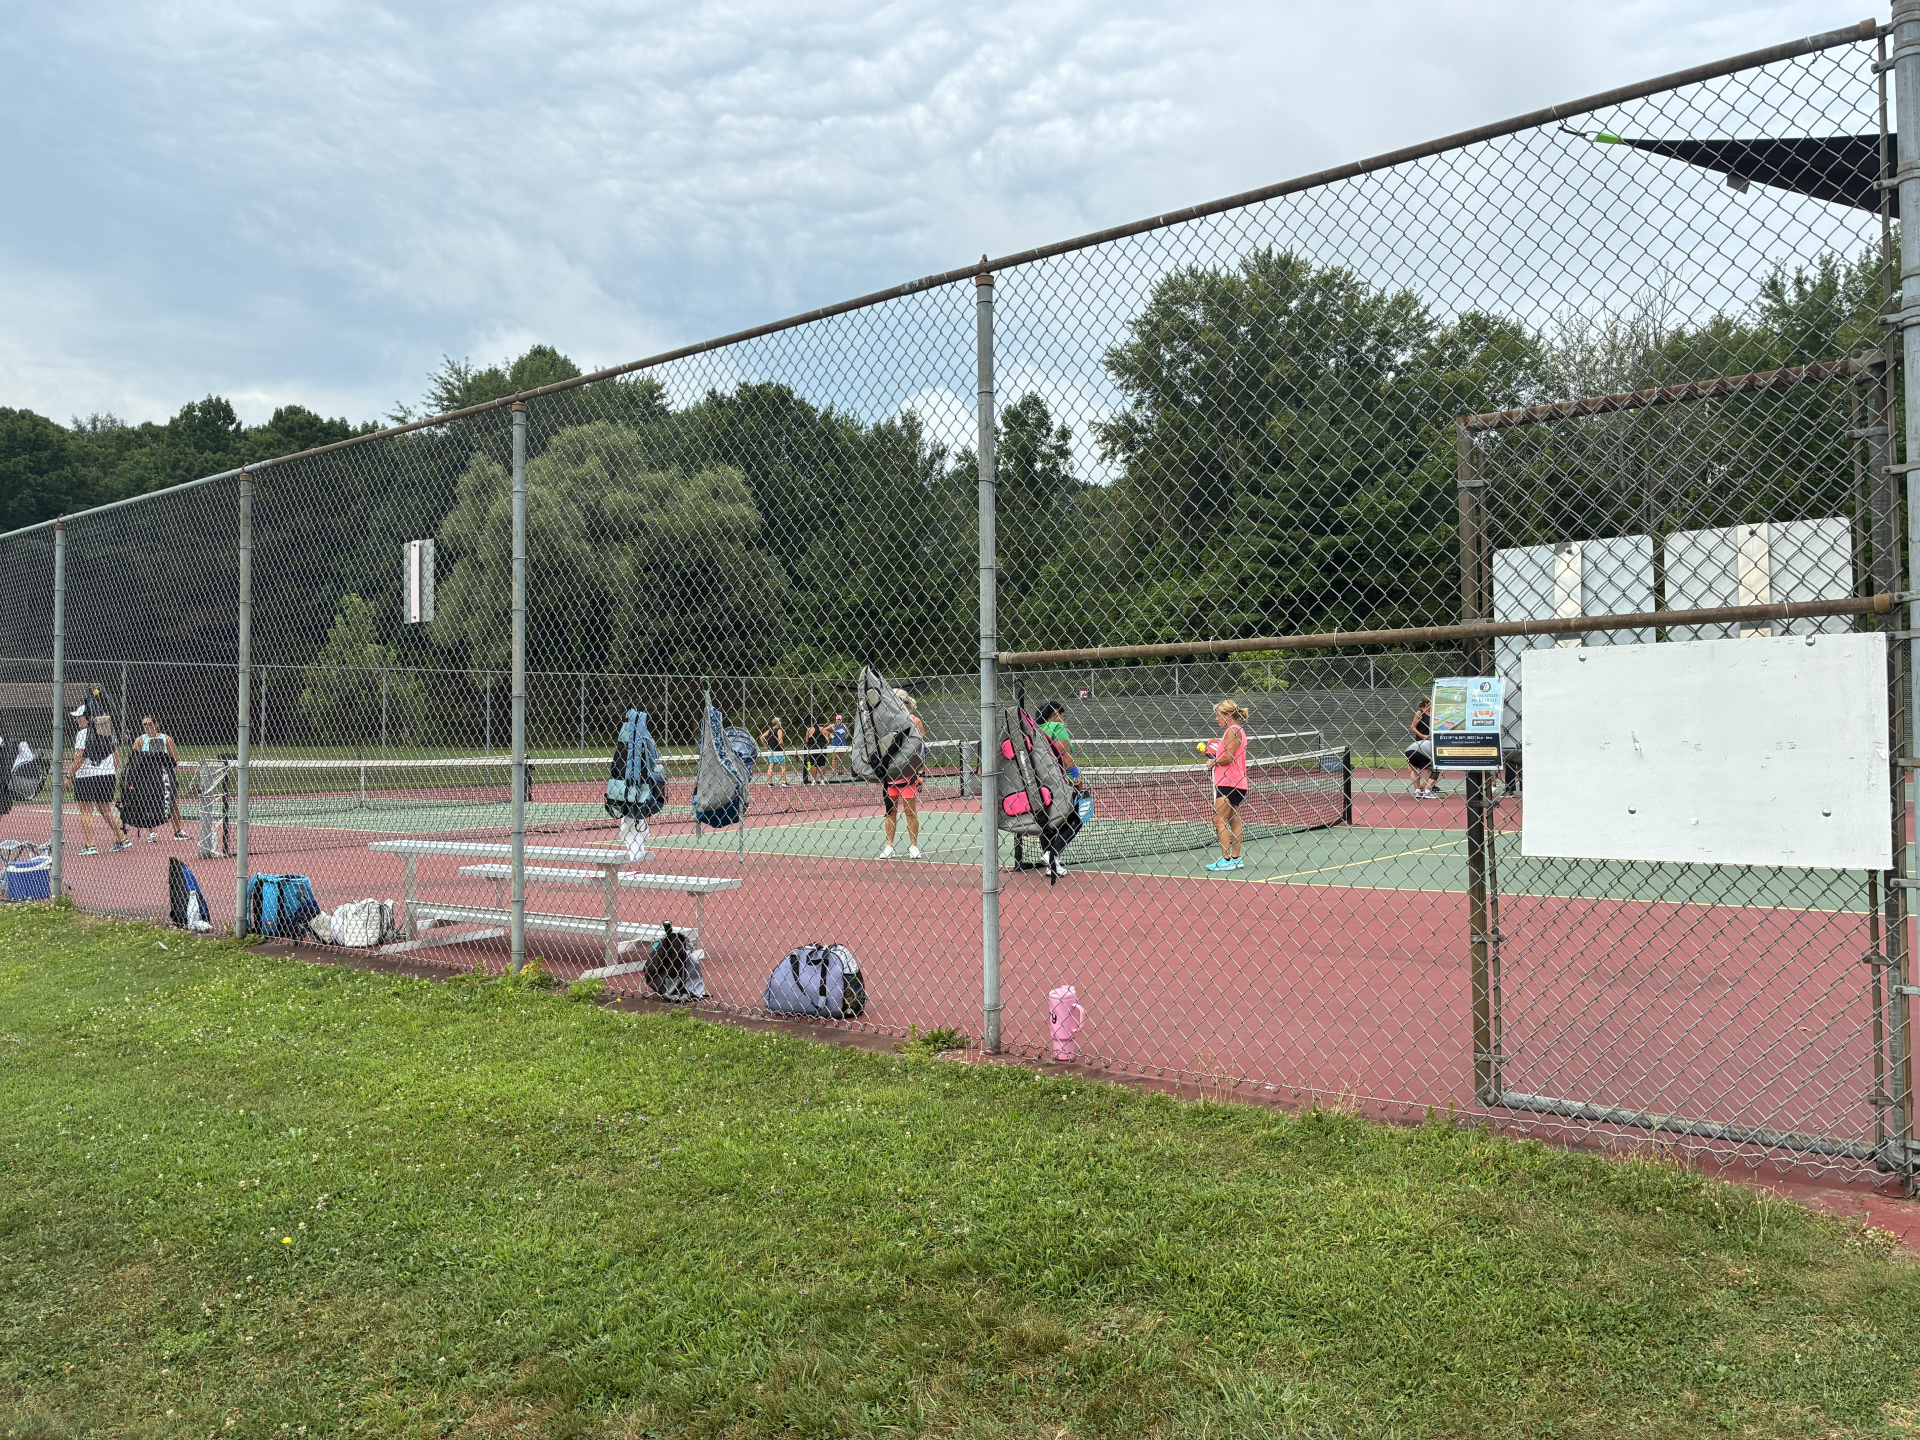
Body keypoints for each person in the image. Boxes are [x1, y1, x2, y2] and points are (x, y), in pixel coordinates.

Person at [66, 703, 131, 855]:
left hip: (87, 776)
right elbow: (115, 755)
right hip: (106, 775)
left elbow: (80, 756)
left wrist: (70, 774)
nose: (77, 720)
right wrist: (114, 772)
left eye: (79, 717)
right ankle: (122, 839)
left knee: (86, 811)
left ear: (87, 718)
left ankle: (90, 846)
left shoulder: (83, 734)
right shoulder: (106, 732)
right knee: (106, 810)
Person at [1034, 700, 1089, 878]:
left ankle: (1052, 864)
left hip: (1035, 784)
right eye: (1062, 714)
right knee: (1080, 814)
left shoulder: (1033, 730)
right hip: (1058, 783)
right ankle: (1053, 853)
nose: (1063, 718)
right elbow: (1063, 753)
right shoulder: (1058, 727)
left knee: (1047, 821)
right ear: (1056, 712)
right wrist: (1076, 778)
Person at [878, 690, 928, 859]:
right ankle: (889, 847)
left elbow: (921, 750)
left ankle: (913, 846)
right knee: (890, 812)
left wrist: (921, 773)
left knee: (910, 812)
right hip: (890, 775)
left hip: (908, 776)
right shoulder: (884, 722)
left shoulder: (915, 721)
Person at [126, 715, 190, 842]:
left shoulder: (166, 739)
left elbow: (175, 758)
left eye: (150, 724)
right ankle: (152, 832)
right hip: (147, 775)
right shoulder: (140, 740)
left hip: (164, 773)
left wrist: (163, 759)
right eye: (144, 724)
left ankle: (177, 831)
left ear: (156, 725)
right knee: (147, 803)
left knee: (171, 801)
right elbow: (133, 759)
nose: (147, 727)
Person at [1203, 699, 1249, 872]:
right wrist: (1212, 754)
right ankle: (1236, 858)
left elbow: (1228, 758)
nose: (1216, 719)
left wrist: (1212, 761)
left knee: (1219, 820)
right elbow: (1230, 754)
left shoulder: (1233, 730)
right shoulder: (1237, 731)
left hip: (1228, 782)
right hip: (1238, 781)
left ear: (1228, 715)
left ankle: (1226, 859)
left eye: (1219, 715)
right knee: (1233, 819)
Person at [1406, 695, 1438, 799]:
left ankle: (1426, 787)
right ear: (1426, 704)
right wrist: (1422, 736)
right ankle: (1417, 790)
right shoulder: (1420, 713)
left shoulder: (1434, 715)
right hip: (1420, 743)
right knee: (1414, 767)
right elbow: (1413, 727)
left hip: (1431, 743)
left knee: (1432, 767)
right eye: (1431, 703)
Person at [760, 717, 789, 786]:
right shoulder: (779, 730)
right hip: (778, 751)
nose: (781, 722)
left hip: (771, 751)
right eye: (780, 721)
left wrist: (765, 746)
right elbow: (780, 741)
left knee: (771, 767)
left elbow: (761, 737)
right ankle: (784, 782)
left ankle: (770, 782)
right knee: (783, 767)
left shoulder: (770, 730)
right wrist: (783, 748)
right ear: (778, 723)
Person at [828, 713, 849, 778]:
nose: (838, 720)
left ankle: (840, 771)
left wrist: (846, 736)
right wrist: (830, 735)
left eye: (839, 719)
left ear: (841, 719)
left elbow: (848, 731)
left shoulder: (844, 726)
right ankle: (834, 771)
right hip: (835, 744)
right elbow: (825, 729)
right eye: (837, 719)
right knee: (835, 757)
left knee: (840, 757)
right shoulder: (834, 726)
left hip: (842, 744)